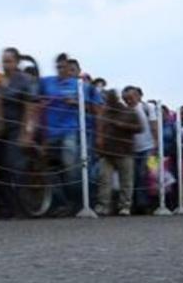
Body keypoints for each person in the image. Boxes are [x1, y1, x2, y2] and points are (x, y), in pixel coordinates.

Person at [39, 57, 97, 217]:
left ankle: (80, 201)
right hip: (50, 132)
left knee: (70, 167)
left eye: (64, 67)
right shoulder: (47, 82)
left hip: (70, 131)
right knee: (50, 169)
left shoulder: (80, 85)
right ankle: (62, 203)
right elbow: (34, 91)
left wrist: (75, 102)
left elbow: (92, 107)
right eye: (58, 66)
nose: (61, 69)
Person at [0, 48, 39, 219]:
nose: (6, 65)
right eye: (4, 61)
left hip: (17, 128)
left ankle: (21, 208)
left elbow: (31, 107)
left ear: (17, 62)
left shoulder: (25, 80)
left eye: (9, 61)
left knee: (14, 165)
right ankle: (5, 208)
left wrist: (27, 133)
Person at [94, 88, 142, 216]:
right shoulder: (105, 112)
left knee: (126, 181)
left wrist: (123, 125)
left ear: (115, 98)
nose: (106, 101)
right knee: (104, 179)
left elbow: (140, 128)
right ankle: (104, 205)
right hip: (107, 152)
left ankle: (125, 206)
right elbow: (100, 129)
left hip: (124, 151)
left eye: (108, 98)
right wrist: (99, 143)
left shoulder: (129, 111)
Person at [122, 86, 158, 214]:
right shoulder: (124, 111)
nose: (128, 101)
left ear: (138, 96)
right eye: (125, 99)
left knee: (150, 175)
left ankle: (147, 204)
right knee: (134, 177)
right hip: (132, 150)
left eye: (130, 98)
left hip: (149, 148)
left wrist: (156, 145)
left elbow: (154, 126)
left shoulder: (148, 107)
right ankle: (138, 204)